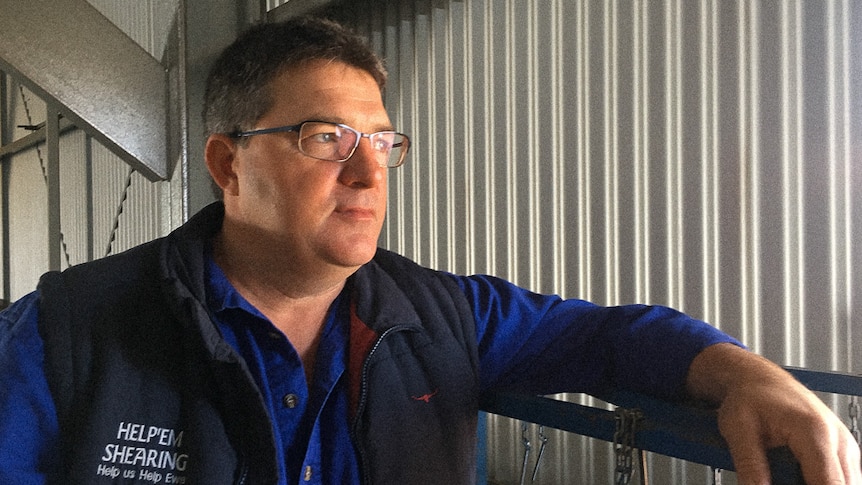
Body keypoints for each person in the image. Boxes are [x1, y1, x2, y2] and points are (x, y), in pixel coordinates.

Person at [0, 16, 858, 485]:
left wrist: (748, 374)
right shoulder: (65, 334)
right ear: (230, 162)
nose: (370, 170)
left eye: (384, 141)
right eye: (327, 136)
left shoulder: (444, 319)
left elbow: (611, 336)